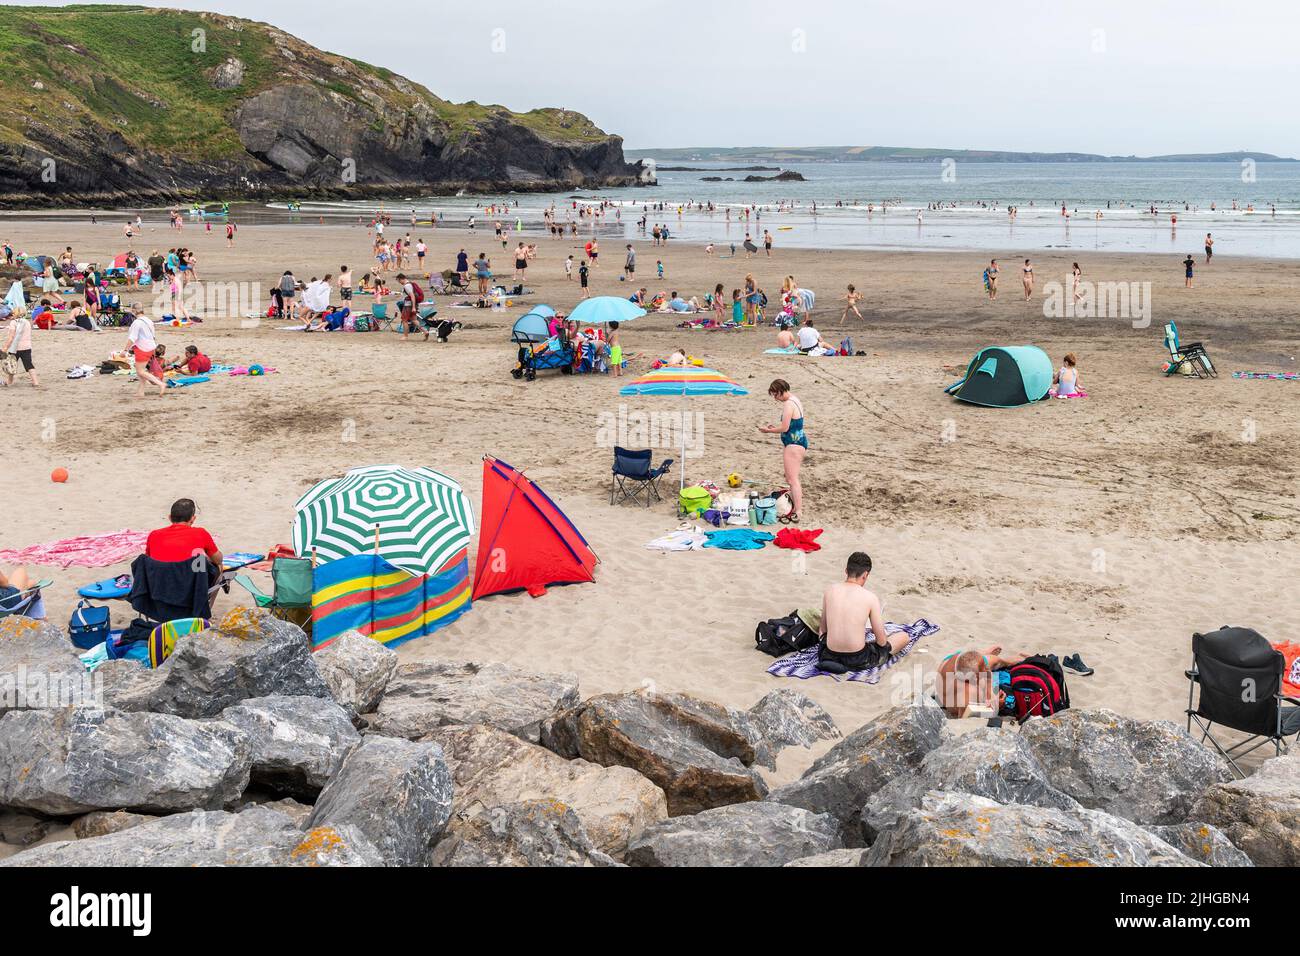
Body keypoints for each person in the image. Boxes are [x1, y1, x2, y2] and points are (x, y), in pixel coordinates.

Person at [817, 551, 906, 672]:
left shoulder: (830, 591)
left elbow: (823, 630)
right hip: (858, 659)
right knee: (903, 637)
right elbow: (881, 641)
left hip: (828, 655)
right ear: (865, 575)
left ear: (846, 571)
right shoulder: (870, 597)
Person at [758, 378, 806, 522]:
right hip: (797, 441)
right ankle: (792, 504)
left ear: (779, 391)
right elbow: (790, 426)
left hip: (794, 443)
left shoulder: (788, 404)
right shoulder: (795, 399)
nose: (775, 399)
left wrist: (767, 431)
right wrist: (776, 429)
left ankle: (798, 511)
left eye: (774, 395)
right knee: (790, 477)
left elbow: (785, 428)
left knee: (792, 480)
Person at [935, 646, 1028, 717]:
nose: (987, 670)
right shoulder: (967, 695)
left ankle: (985, 654)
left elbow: (974, 663)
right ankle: (984, 655)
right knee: (989, 664)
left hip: (955, 658)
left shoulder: (956, 664)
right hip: (959, 673)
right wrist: (997, 706)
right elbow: (964, 718)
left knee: (1000, 662)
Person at [146, 498, 223, 571]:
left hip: (158, 582)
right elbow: (218, 560)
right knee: (216, 564)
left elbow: (148, 560)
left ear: (170, 518)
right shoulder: (200, 533)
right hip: (191, 582)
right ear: (193, 519)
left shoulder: (154, 535)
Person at [127, 308, 165, 397]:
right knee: (141, 371)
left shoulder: (137, 322)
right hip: (151, 347)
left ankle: (160, 384)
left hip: (142, 348)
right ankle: (141, 392)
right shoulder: (148, 320)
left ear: (134, 311)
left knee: (140, 371)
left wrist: (125, 350)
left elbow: (132, 338)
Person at [1, 307, 38, 388]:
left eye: (13, 313)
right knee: (29, 365)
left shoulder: (13, 323)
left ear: (16, 314)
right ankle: (35, 381)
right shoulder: (27, 322)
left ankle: (9, 381)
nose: (12, 315)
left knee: (11, 365)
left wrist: (5, 348)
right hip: (27, 347)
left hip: (15, 348)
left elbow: (11, 337)